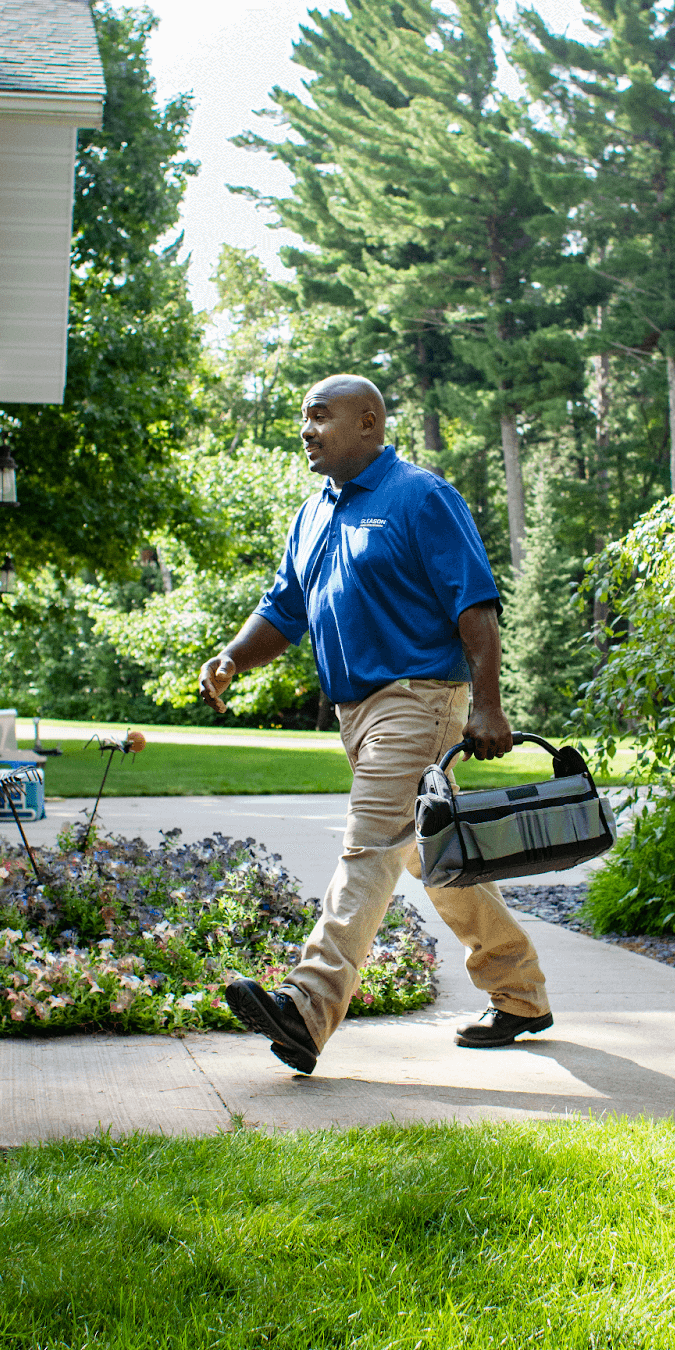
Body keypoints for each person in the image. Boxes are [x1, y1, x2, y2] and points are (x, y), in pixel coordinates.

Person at [198, 374, 551, 1074]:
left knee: (367, 845)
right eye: (303, 418)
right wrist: (234, 658)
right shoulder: (313, 513)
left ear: (369, 424)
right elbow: (284, 610)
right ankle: (520, 994)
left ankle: (308, 1006)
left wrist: (488, 703)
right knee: (430, 854)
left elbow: (474, 604)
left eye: (321, 417)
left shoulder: (421, 497)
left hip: (418, 699)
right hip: (355, 711)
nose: (306, 430)